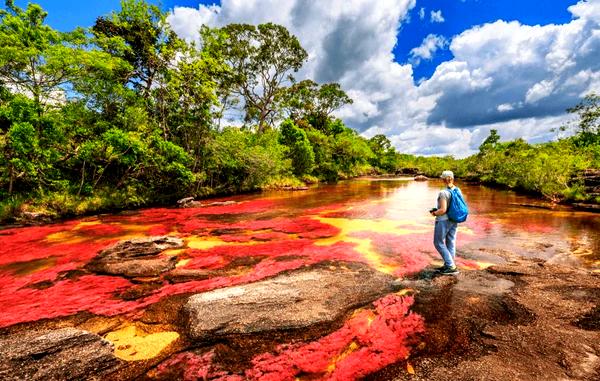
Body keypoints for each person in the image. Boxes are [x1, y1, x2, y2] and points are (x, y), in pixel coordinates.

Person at [430, 170, 459, 275]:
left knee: (438, 243)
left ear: (445, 179)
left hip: (443, 220)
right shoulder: (457, 190)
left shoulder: (443, 192)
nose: (441, 179)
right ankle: (449, 264)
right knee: (450, 242)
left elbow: (442, 210)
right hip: (454, 219)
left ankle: (451, 266)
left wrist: (434, 213)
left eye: (442, 177)